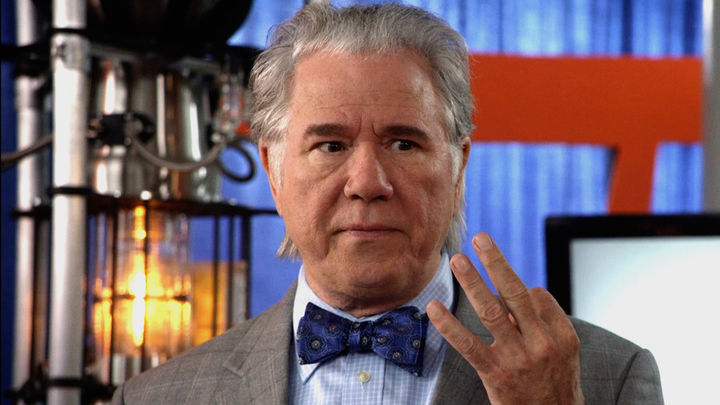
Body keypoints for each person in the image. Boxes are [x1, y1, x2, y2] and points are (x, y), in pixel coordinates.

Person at [112, 3, 663, 404]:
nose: (367, 183)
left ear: (458, 168)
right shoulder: (156, 398)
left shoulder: (611, 377)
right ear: (274, 174)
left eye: (403, 143)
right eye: (331, 146)